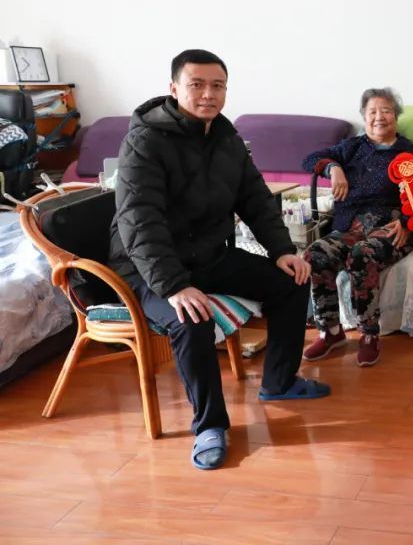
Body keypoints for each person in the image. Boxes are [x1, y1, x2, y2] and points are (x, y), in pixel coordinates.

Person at [109, 49, 329, 472]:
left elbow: (255, 199)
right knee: (192, 317)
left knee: (292, 281)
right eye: (197, 85)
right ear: (174, 89)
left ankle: (279, 381)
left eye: (217, 85)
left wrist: (282, 250)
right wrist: (174, 285)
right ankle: (209, 426)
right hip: (146, 268)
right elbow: (140, 220)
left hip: (206, 256)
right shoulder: (144, 141)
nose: (208, 94)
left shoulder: (226, 138)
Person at [300, 87, 413, 366]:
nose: (379, 117)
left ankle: (368, 334)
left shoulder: (410, 153)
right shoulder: (350, 147)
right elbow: (309, 160)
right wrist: (334, 168)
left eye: (386, 111)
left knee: (362, 254)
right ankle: (331, 332)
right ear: (364, 116)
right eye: (372, 111)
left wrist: (406, 222)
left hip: (390, 226)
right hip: (348, 226)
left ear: (396, 116)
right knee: (315, 254)